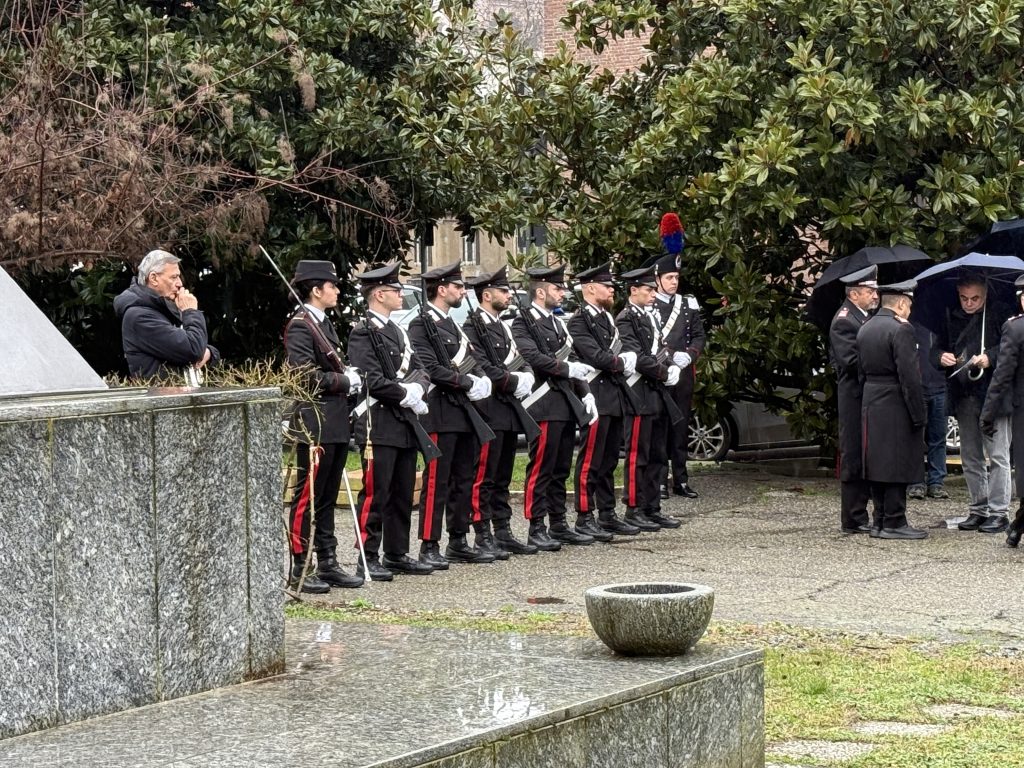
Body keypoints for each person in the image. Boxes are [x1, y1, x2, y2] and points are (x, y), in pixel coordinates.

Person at [347, 263, 435, 580]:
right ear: (379, 294)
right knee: (376, 492)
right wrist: (404, 392)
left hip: (404, 422)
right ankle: (367, 555)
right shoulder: (363, 332)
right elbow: (370, 378)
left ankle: (397, 553)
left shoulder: (398, 331)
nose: (400, 295)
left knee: (402, 491)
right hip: (379, 422)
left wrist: (418, 388)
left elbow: (421, 368)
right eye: (395, 290)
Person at [282, 260, 364, 593]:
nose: (338, 291)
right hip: (315, 422)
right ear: (316, 290)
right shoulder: (301, 326)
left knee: (327, 496)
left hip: (335, 422)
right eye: (332, 286)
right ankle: (301, 566)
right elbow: (304, 376)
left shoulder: (322, 323)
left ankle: (328, 560)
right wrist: (344, 381)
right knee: (308, 496)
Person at [408, 262, 495, 568]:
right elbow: (431, 368)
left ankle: (458, 538)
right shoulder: (421, 324)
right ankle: (429, 543)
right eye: (458, 287)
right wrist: (468, 382)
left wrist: (482, 378)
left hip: (463, 411)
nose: (463, 292)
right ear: (442, 289)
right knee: (437, 481)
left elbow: (472, 358)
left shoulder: (453, 324)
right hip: (440, 411)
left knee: (463, 478)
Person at [512, 264, 598, 550]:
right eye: (557, 288)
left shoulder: (558, 323)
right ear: (540, 292)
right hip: (543, 404)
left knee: (561, 467)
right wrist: (567, 369)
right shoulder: (522, 323)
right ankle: (536, 525)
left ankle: (558, 522)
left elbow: (572, 360)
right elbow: (532, 357)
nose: (562, 293)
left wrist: (586, 393)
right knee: (541, 468)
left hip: (564, 403)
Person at [462, 266, 539, 556]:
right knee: (484, 475)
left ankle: (502, 529)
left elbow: (520, 358)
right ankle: (482, 532)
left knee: (503, 474)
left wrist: (527, 375)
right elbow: (483, 366)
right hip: (489, 409)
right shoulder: (472, 327)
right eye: (503, 291)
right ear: (487, 294)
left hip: (508, 410)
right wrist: (513, 381)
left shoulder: (503, 326)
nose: (508, 295)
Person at [931, 275, 1011, 533]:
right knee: (970, 455)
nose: (968, 303)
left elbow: (1012, 348)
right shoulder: (950, 315)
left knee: (997, 454)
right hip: (964, 392)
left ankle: (999, 512)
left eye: (975, 298)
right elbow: (935, 349)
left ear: (985, 293)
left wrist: (990, 357)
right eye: (964, 298)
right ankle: (978, 508)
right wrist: (940, 357)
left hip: (994, 395)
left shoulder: (1001, 313)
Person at [567, 262, 641, 538]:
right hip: (595, 395)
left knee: (609, 459)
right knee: (591, 460)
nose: (612, 290)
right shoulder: (579, 321)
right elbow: (595, 356)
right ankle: (584, 515)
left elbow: (619, 349)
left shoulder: (607, 319)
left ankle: (607, 512)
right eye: (606, 286)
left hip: (614, 394)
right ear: (590, 288)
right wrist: (621, 362)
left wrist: (626, 359)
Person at [856, 280, 928, 540]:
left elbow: (859, 371)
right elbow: (909, 376)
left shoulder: (865, 327)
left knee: (877, 462)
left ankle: (879, 520)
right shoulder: (901, 329)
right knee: (897, 461)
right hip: (896, 400)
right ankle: (895, 521)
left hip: (871, 399)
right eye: (908, 306)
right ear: (901, 303)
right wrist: (919, 414)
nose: (909, 311)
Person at [617, 264, 682, 532]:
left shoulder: (649, 316)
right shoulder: (625, 318)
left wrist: (672, 366)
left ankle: (652, 507)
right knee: (638, 455)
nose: (654, 294)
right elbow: (637, 356)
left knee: (657, 454)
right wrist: (663, 372)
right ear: (634, 290)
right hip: (639, 394)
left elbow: (661, 349)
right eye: (648, 289)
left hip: (655, 393)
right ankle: (634, 507)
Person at [114, 249, 219, 380]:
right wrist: (191, 311)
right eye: (174, 277)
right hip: (161, 393)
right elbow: (193, 350)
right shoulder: (139, 317)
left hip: (176, 392)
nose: (180, 283)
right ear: (153, 278)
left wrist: (210, 352)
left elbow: (192, 345)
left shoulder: (161, 310)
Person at [649, 254, 705, 499]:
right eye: (669, 277)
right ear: (657, 279)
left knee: (681, 427)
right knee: (660, 427)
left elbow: (699, 335)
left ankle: (681, 479)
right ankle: (660, 480)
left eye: (676, 277)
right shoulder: (650, 304)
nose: (674, 282)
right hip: (660, 373)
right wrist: (671, 357)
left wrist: (690, 355)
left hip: (683, 375)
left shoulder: (687, 303)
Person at [829, 265, 878, 533]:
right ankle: (853, 517)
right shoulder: (845, 320)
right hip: (853, 397)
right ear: (854, 293)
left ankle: (862, 513)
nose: (875, 295)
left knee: (867, 454)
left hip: (865, 397)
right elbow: (850, 360)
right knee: (854, 455)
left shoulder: (864, 317)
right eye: (870, 291)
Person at [979, 273, 1024, 547]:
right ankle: (1017, 525)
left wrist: (988, 413)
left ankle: (1017, 525)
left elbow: (1003, 375)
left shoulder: (1015, 328)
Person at [907, 323, 949, 500]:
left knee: (938, 438)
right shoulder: (910, 325)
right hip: (918, 388)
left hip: (941, 387)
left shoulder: (943, 326)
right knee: (915, 438)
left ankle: (936, 482)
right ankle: (915, 482)